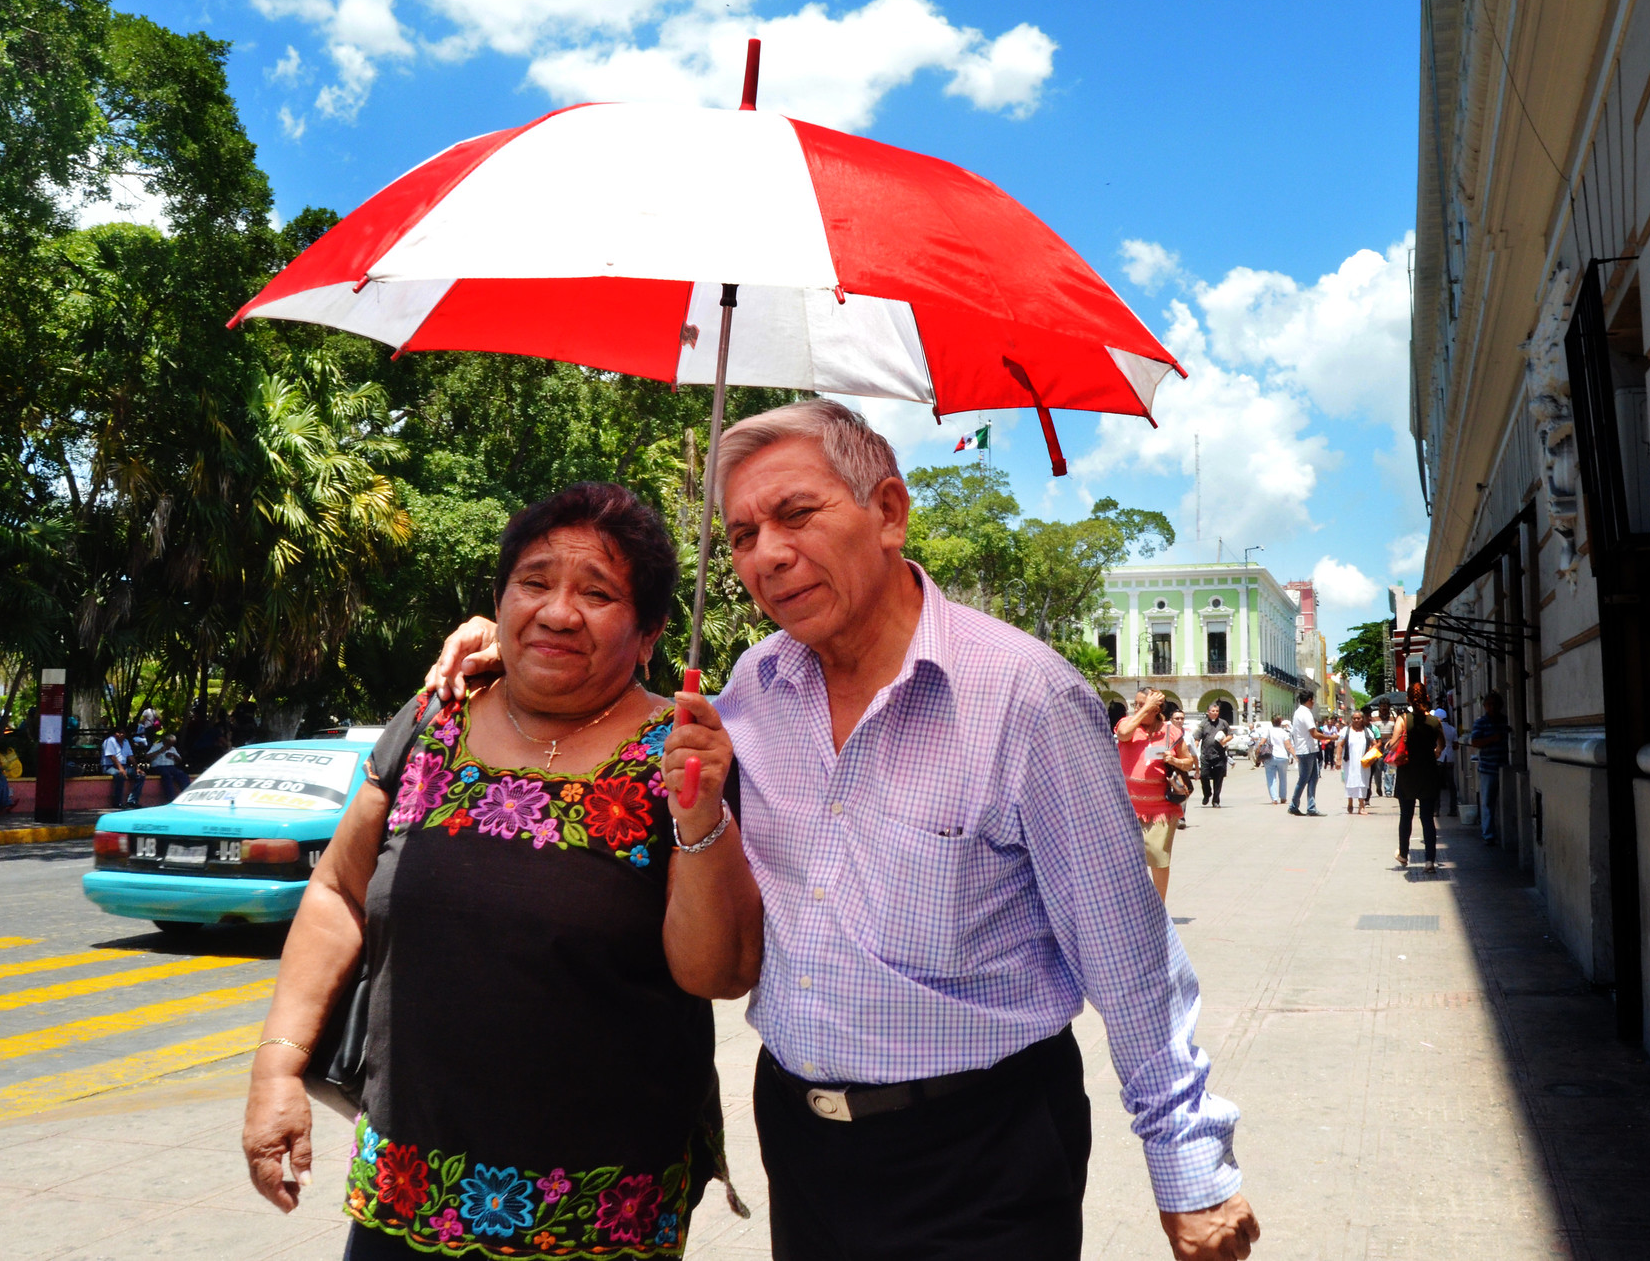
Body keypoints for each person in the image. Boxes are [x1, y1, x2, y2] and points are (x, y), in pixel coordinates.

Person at [428, 400, 1258, 1261]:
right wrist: (508, 644)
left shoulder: (1025, 698)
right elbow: (606, 691)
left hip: (982, 1150)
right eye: (743, 533)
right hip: (802, 1136)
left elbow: (1128, 957)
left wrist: (1188, 1167)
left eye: (796, 514)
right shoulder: (753, 686)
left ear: (889, 513)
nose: (767, 554)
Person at [243, 482, 762, 1260]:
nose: (557, 611)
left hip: (601, 1211)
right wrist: (275, 1070)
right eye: (534, 582)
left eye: (598, 592)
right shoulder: (431, 719)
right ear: (498, 602)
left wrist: (699, 820)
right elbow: (339, 895)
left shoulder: (687, 756)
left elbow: (716, 973)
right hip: (405, 1192)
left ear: (650, 634)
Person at [1116, 688, 1195, 900]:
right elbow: (1123, 734)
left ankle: (1159, 906)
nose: (1137, 709)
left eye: (1143, 704)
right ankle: (1137, 906)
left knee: (1158, 858)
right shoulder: (1128, 725)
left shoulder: (1172, 733)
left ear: (1158, 708)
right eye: (1136, 704)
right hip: (1128, 809)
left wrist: (1175, 761)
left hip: (1162, 808)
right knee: (1130, 862)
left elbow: (1189, 763)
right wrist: (1144, 710)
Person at [1394, 688, 1447, 871]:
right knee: (1427, 818)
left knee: (1406, 816)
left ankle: (1403, 854)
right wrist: (1435, 751)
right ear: (1427, 698)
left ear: (1408, 699)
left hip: (1407, 773)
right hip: (1428, 773)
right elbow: (1442, 745)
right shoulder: (1435, 721)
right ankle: (1429, 860)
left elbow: (1394, 743)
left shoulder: (1403, 719)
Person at [1469, 691, 1509, 844]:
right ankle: (1488, 834)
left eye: (1495, 704)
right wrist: (1493, 738)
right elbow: (1475, 742)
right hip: (1487, 769)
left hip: (1504, 767)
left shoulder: (1505, 721)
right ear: (1485, 706)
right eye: (1489, 704)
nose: (1492, 707)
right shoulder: (1480, 723)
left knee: (1503, 802)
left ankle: (1504, 831)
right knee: (1487, 803)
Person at [1193, 702, 1232, 807]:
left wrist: (1224, 741)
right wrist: (1192, 751)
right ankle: (1207, 793)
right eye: (1213, 711)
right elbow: (1197, 738)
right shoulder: (1203, 724)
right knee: (1204, 776)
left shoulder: (1223, 723)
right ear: (1208, 712)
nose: (1215, 713)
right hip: (1206, 756)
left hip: (1219, 756)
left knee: (1218, 779)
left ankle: (1216, 801)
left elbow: (1230, 735)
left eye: (1217, 711)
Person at [1287, 702, 1322, 816]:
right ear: (1309, 700)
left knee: (1313, 778)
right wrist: (1330, 737)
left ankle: (1311, 807)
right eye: (1313, 700)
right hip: (1306, 750)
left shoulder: (1298, 712)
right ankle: (1293, 805)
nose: (1313, 703)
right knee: (1304, 779)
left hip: (1307, 750)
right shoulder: (1305, 713)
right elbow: (1313, 733)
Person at [1338, 711, 1376, 814]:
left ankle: (1361, 805)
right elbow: (1340, 745)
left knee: (1362, 782)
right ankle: (1350, 803)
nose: (1356, 720)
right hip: (1349, 762)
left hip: (1363, 762)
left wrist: (1371, 755)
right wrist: (1338, 759)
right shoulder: (1346, 731)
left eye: (1358, 718)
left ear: (1362, 719)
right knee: (1350, 781)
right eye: (1354, 718)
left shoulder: (1367, 732)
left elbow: (1375, 744)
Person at [1433, 704, 1460, 824]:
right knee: (1451, 785)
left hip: (1438, 758)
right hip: (1449, 758)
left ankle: (1436, 810)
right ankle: (1453, 809)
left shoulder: (1435, 729)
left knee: (1436, 785)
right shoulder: (1452, 729)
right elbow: (1456, 745)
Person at [1257, 716, 1292, 805]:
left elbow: (1261, 743)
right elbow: (1288, 746)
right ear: (1280, 722)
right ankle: (1283, 797)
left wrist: (1258, 753)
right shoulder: (1284, 732)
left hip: (1270, 757)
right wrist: (1295, 756)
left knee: (1271, 778)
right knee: (1283, 778)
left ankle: (1274, 799)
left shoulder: (1268, 730)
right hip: (1283, 757)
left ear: (1271, 721)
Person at [101, 726, 140, 808]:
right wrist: (121, 769)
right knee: (120, 775)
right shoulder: (109, 741)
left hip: (124, 766)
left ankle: (133, 801)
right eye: (119, 732)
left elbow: (130, 756)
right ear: (115, 733)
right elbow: (112, 757)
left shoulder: (126, 742)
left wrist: (137, 768)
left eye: (123, 733)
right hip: (109, 766)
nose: (121, 734)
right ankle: (117, 802)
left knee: (140, 776)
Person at [148, 733, 190, 800]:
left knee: (183, 775)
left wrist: (173, 755)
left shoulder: (172, 748)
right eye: (169, 743)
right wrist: (159, 751)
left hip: (171, 767)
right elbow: (147, 757)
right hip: (158, 767)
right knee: (166, 775)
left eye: (172, 744)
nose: (171, 745)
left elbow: (180, 760)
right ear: (165, 741)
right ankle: (170, 798)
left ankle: (187, 796)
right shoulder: (156, 746)